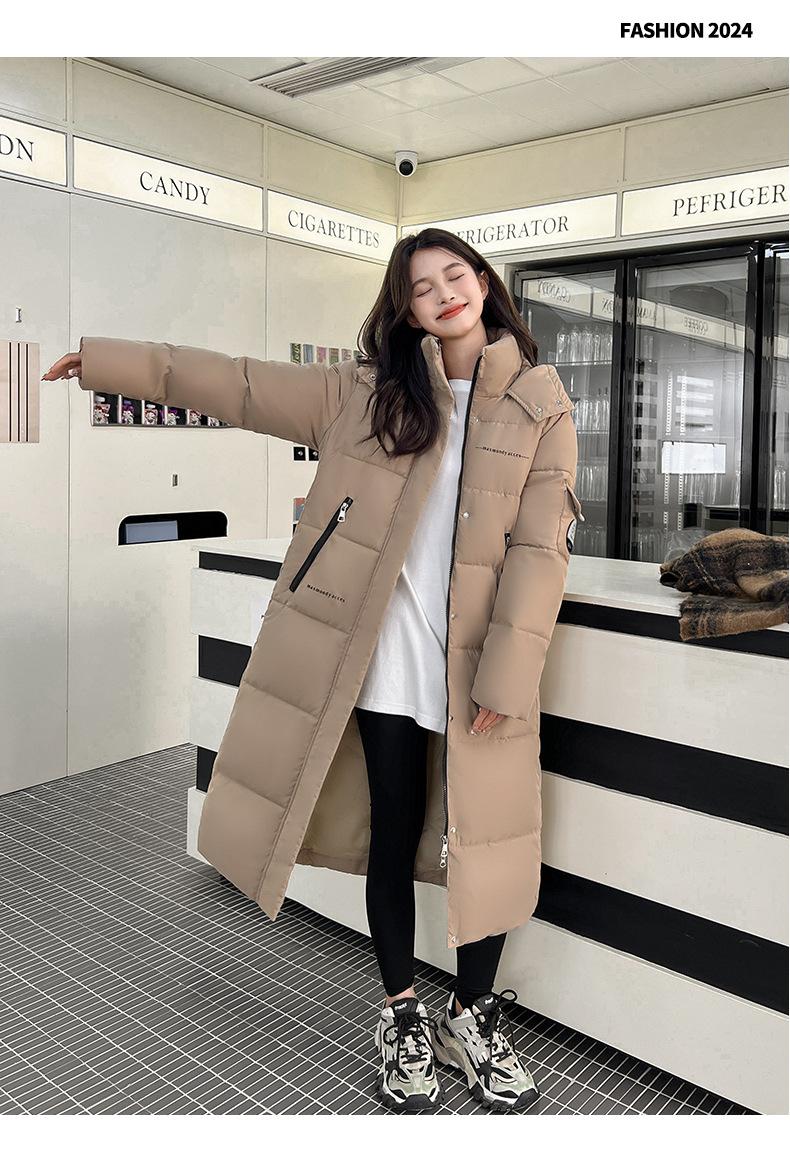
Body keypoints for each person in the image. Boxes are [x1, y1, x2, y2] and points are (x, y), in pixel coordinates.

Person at [43, 227, 576, 1116]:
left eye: (456, 275)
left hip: (479, 672)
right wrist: (106, 362)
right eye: (421, 287)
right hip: (384, 663)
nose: (444, 293)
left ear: (485, 283)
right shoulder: (366, 395)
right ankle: (402, 1015)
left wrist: (508, 678)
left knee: (491, 843)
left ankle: (472, 1016)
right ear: (405, 310)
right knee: (393, 834)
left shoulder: (540, 401)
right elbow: (239, 384)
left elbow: (540, 549)